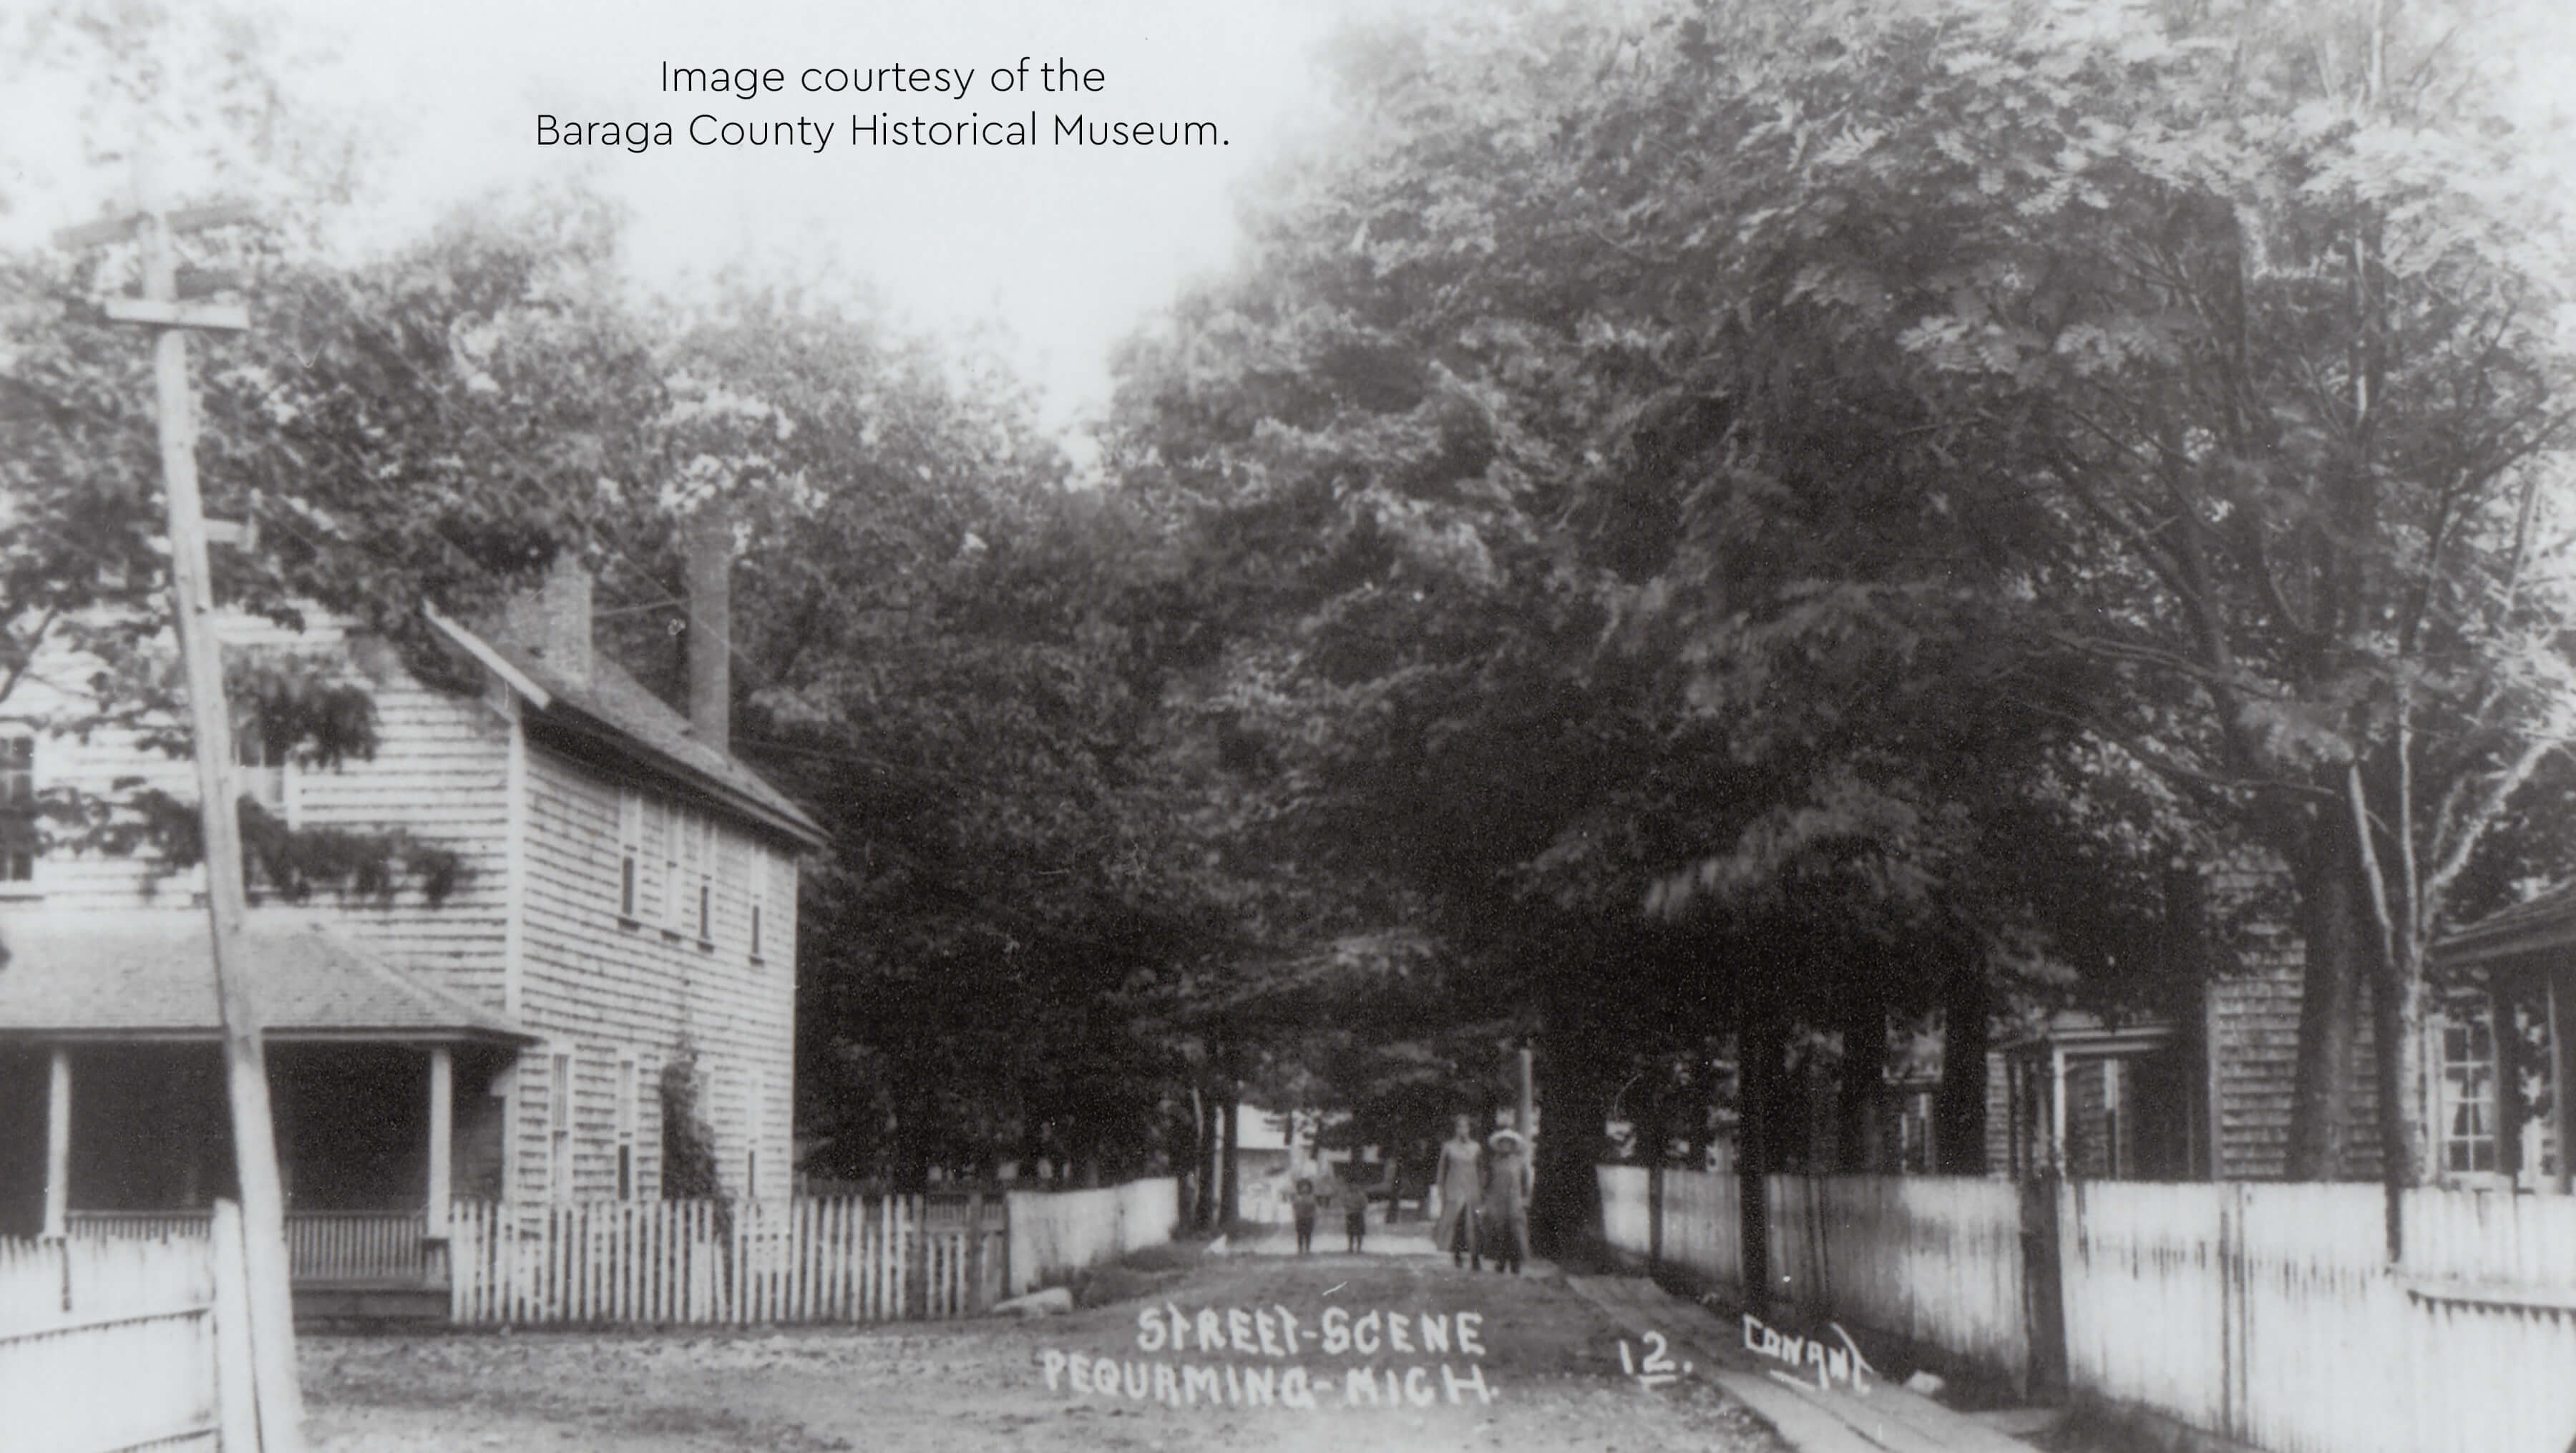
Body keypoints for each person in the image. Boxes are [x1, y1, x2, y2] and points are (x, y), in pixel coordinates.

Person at [1430, 1115, 1483, 1270]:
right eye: (1459, 1127)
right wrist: (1441, 1187)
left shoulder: (1476, 1147)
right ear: (1455, 1129)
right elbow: (1442, 1169)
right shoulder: (1448, 1147)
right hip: (1453, 1188)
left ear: (1469, 1129)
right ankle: (1457, 1255)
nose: (1462, 1130)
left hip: (1472, 1189)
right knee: (1456, 1222)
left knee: (1473, 1223)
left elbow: (1481, 1169)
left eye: (1465, 1127)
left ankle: (1475, 1257)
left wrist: (1481, 1188)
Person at [1481, 1128, 1533, 1275]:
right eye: (1503, 1143)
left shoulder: (1519, 1162)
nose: (1505, 1146)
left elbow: (1525, 1183)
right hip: (1497, 1201)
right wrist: (1487, 1200)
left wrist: (1525, 1199)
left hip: (1515, 1202)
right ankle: (1500, 1262)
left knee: (1515, 1232)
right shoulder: (1494, 1162)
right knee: (1499, 1231)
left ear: (1513, 1145)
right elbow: (1487, 1183)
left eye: (1508, 1143)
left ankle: (1515, 1263)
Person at [1291, 1176, 1319, 1256]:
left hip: (1309, 1218)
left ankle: (1308, 1249)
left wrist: (1314, 1215)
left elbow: (1313, 1207)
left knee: (1308, 1234)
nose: (1304, 1188)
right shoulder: (1297, 1197)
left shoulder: (1311, 1197)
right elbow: (1295, 1207)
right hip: (1300, 1218)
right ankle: (1300, 1249)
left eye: (1306, 1186)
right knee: (1300, 1234)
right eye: (1302, 1187)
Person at [1343, 1173, 1368, 1253]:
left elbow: (1364, 1205)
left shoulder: (1361, 1195)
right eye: (1352, 1184)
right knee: (1350, 1232)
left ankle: (1359, 1248)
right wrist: (1350, 1208)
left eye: (1356, 1184)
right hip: (1350, 1215)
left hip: (1358, 1214)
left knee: (1359, 1232)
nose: (1354, 1186)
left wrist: (1357, 1208)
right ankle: (1350, 1247)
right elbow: (1345, 1204)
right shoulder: (1348, 1195)